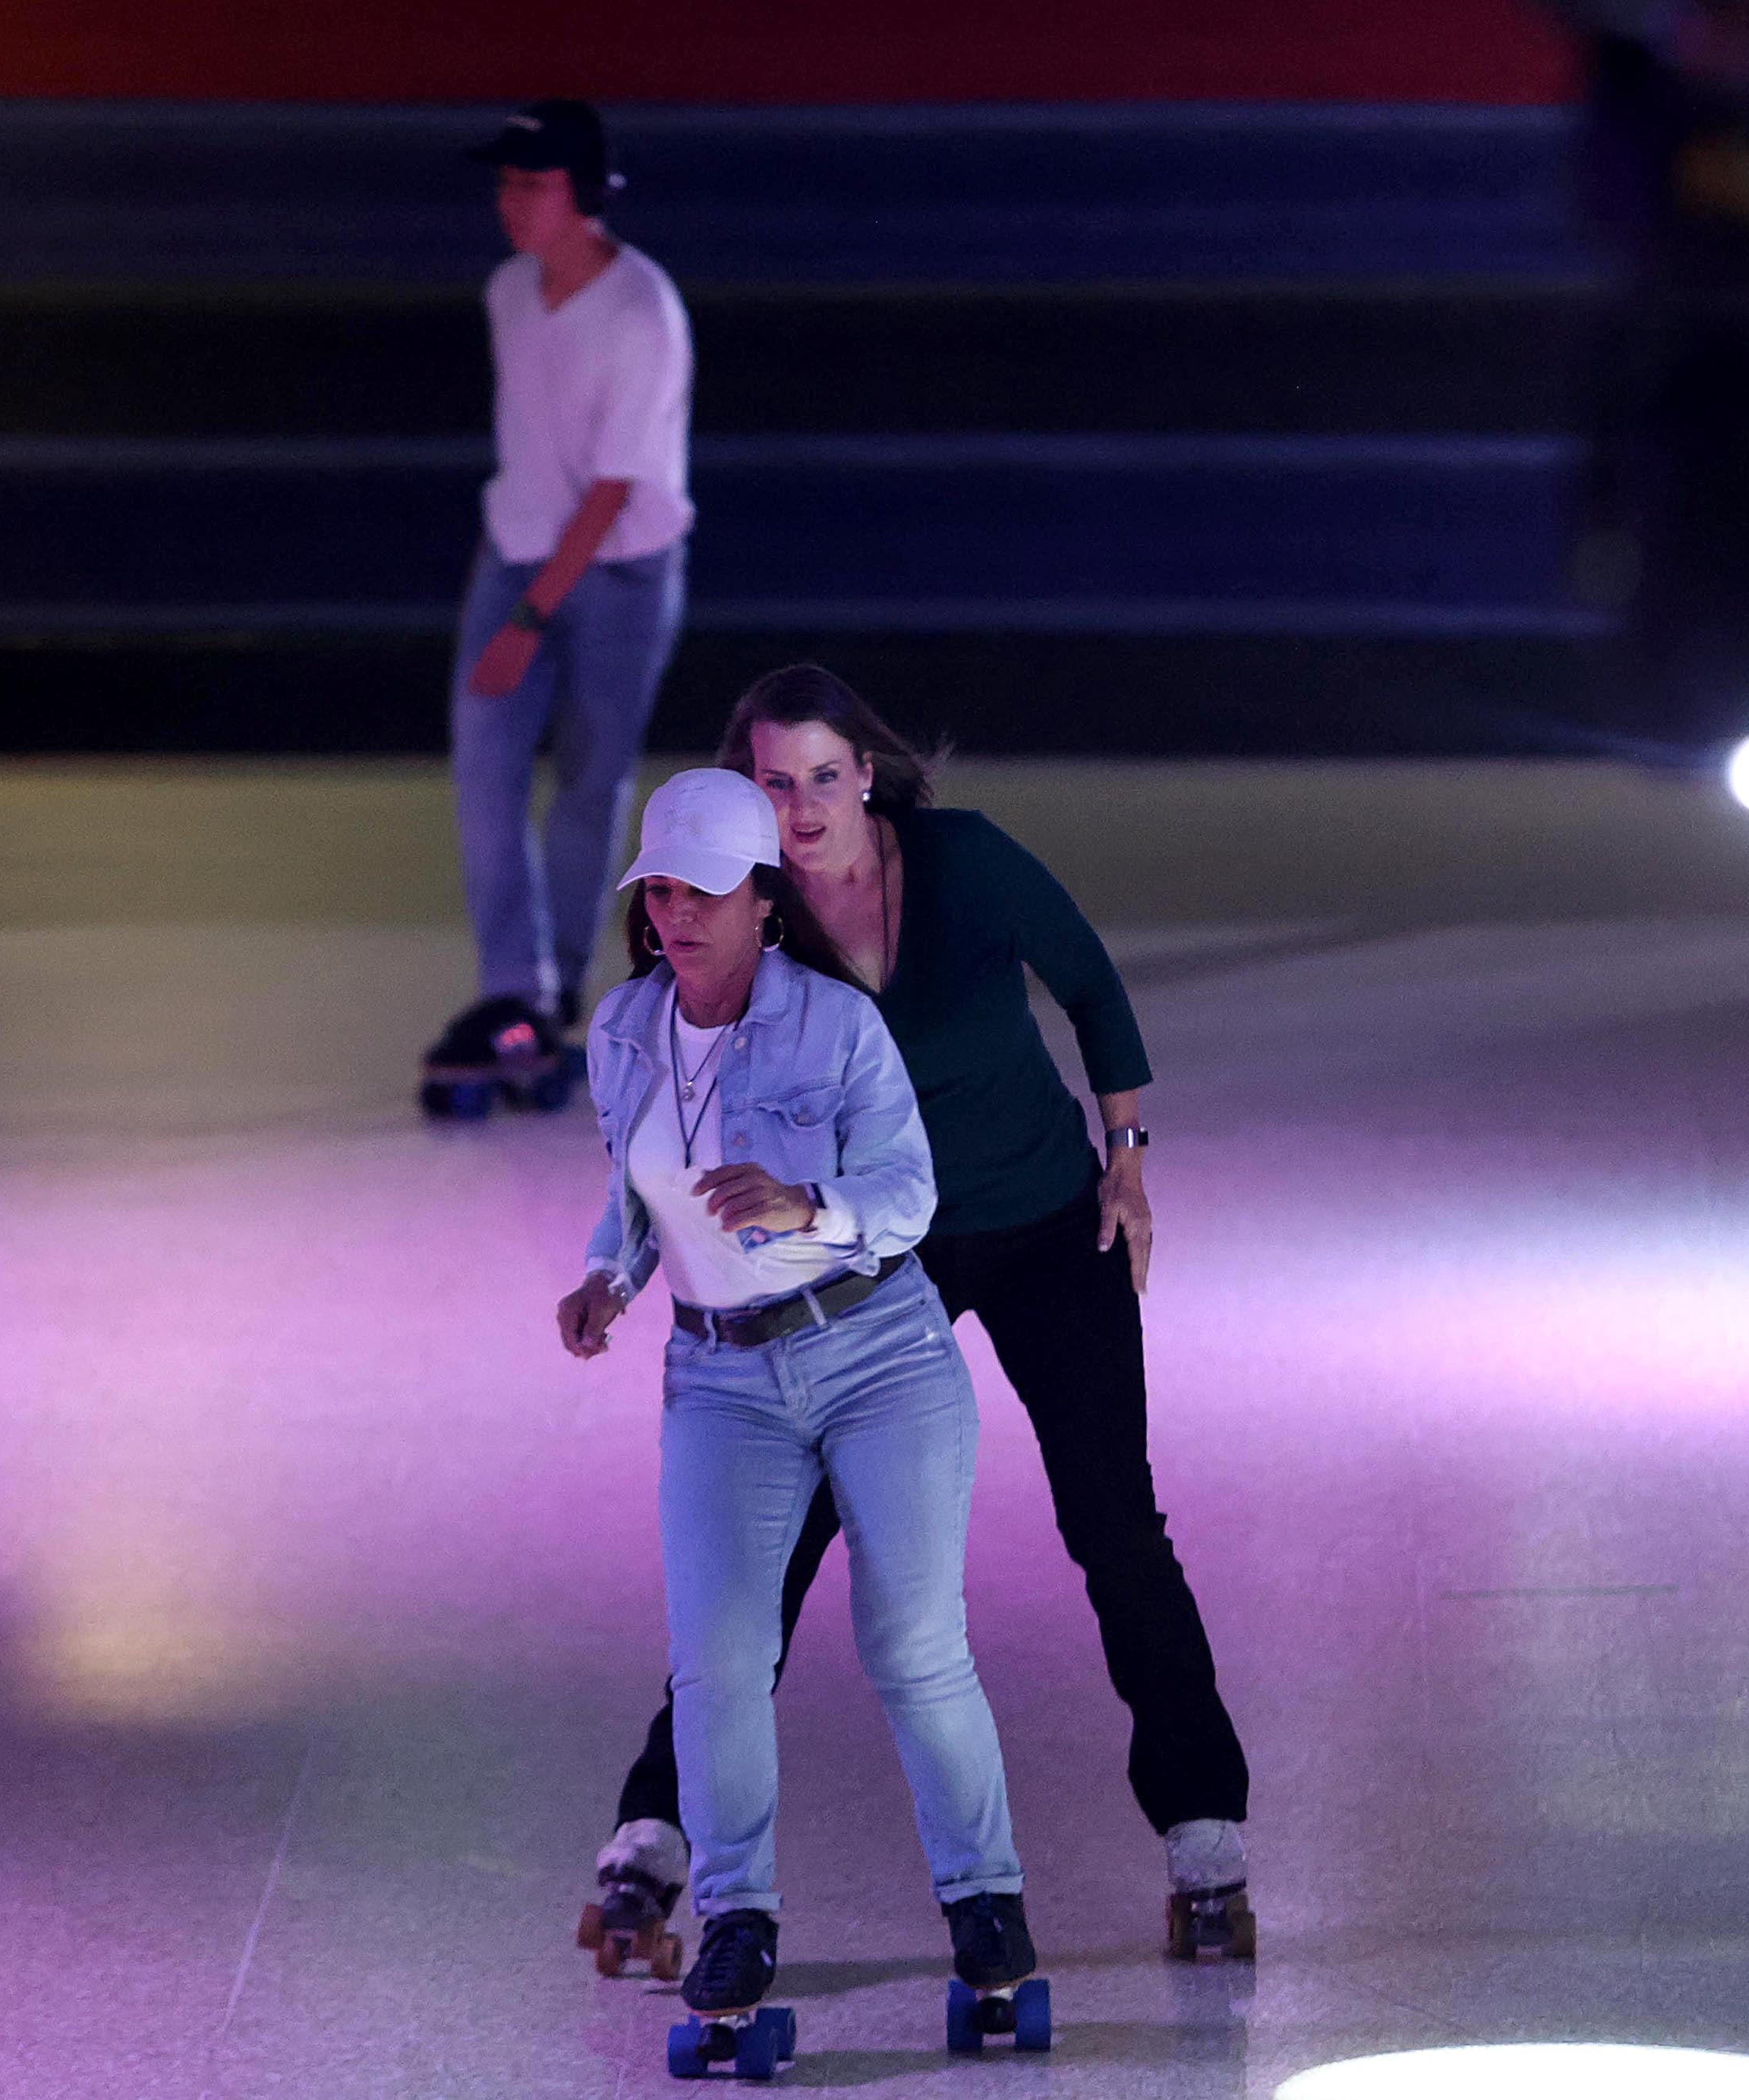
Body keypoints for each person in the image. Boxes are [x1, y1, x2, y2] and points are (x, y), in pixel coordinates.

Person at [584, 664, 1256, 1966]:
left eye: (825, 776)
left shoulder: (962, 862)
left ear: (869, 774)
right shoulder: (751, 910)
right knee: (774, 1542)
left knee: (1113, 1520)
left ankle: (1205, 1827)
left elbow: (1093, 991)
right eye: (774, 784)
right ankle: (659, 1832)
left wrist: (1128, 1155)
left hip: (1047, 1221)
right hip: (881, 1259)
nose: (803, 805)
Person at [556, 767, 1041, 2040]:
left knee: (912, 1642)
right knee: (717, 1660)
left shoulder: (835, 1025)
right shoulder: (624, 1031)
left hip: (878, 1352)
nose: (678, 913)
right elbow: (638, 1189)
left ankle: (986, 1899)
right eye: (660, 888)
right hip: (720, 1376)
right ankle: (736, 1920)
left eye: (706, 889)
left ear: (765, 900)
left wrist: (806, 1207)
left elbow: (909, 1194)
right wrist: (611, 1276)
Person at [421, 99, 694, 1110]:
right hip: (519, 552)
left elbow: (614, 488)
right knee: (484, 767)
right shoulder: (506, 292)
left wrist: (526, 619)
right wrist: (514, 593)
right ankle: (515, 990)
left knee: (591, 776)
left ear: (585, 197)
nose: (512, 205)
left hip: (621, 571)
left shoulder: (641, 313)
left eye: (533, 185)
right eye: (505, 184)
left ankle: (557, 988)